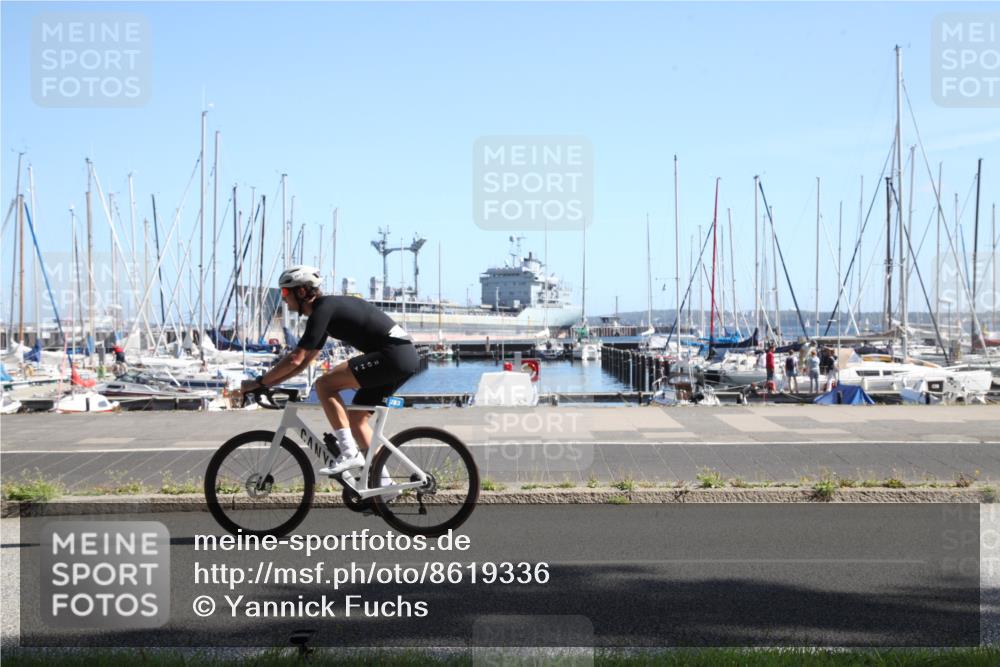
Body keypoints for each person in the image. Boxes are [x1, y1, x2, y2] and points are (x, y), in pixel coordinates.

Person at [240, 265, 419, 479]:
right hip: (402, 358)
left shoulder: (323, 310)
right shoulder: (327, 311)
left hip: (393, 356)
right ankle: (385, 486)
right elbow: (302, 364)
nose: (283, 298)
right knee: (357, 420)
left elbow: (295, 358)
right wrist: (268, 384)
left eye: (285, 292)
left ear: (302, 292)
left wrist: (258, 382)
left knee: (324, 385)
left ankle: (349, 453)